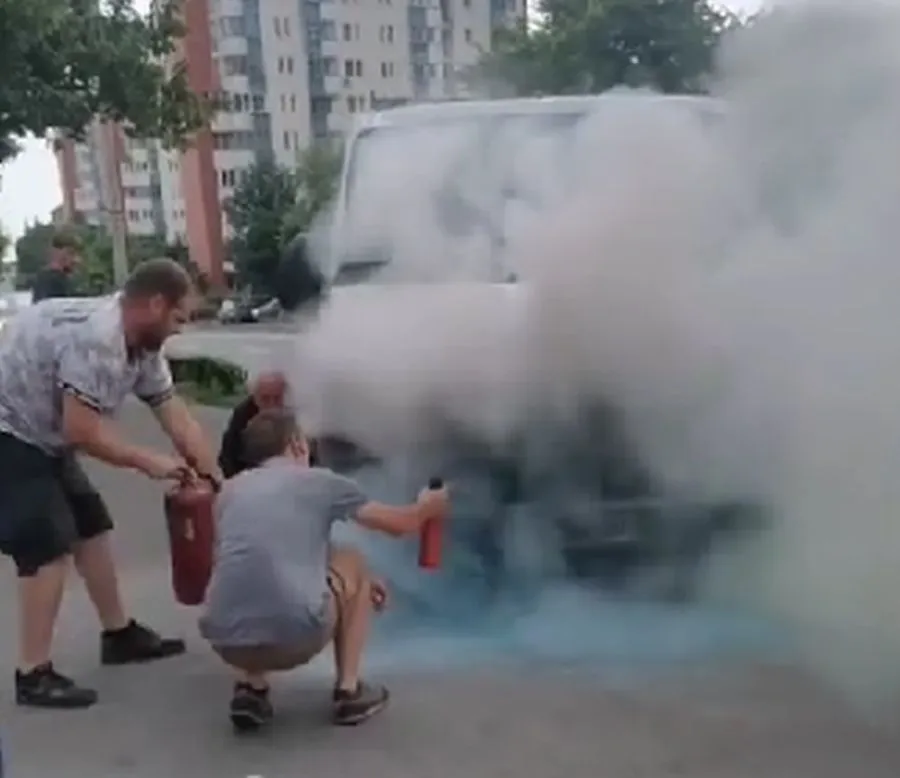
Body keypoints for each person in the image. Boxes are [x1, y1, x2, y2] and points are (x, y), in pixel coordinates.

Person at [0, 258, 224, 709]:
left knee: (91, 527)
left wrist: (217, 479)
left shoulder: (142, 349)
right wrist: (148, 462)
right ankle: (33, 673)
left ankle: (119, 635)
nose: (180, 329)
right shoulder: (98, 339)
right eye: (179, 318)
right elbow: (82, 431)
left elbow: (177, 418)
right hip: (9, 430)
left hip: (44, 434)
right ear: (156, 304)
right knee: (47, 546)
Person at [199, 408, 449, 732]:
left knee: (250, 576)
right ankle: (349, 692)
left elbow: (246, 557)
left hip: (226, 642)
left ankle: (252, 689)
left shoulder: (229, 492)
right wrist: (429, 506)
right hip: (296, 638)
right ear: (297, 444)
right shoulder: (321, 482)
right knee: (353, 561)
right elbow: (401, 524)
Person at [218, 371, 289, 479]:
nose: (272, 405)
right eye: (265, 399)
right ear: (255, 397)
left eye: (277, 398)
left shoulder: (295, 415)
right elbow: (227, 456)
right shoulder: (242, 414)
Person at [31, 230, 83, 302]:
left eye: (77, 254)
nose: (76, 260)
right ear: (56, 253)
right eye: (71, 253)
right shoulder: (50, 280)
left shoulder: (67, 280)